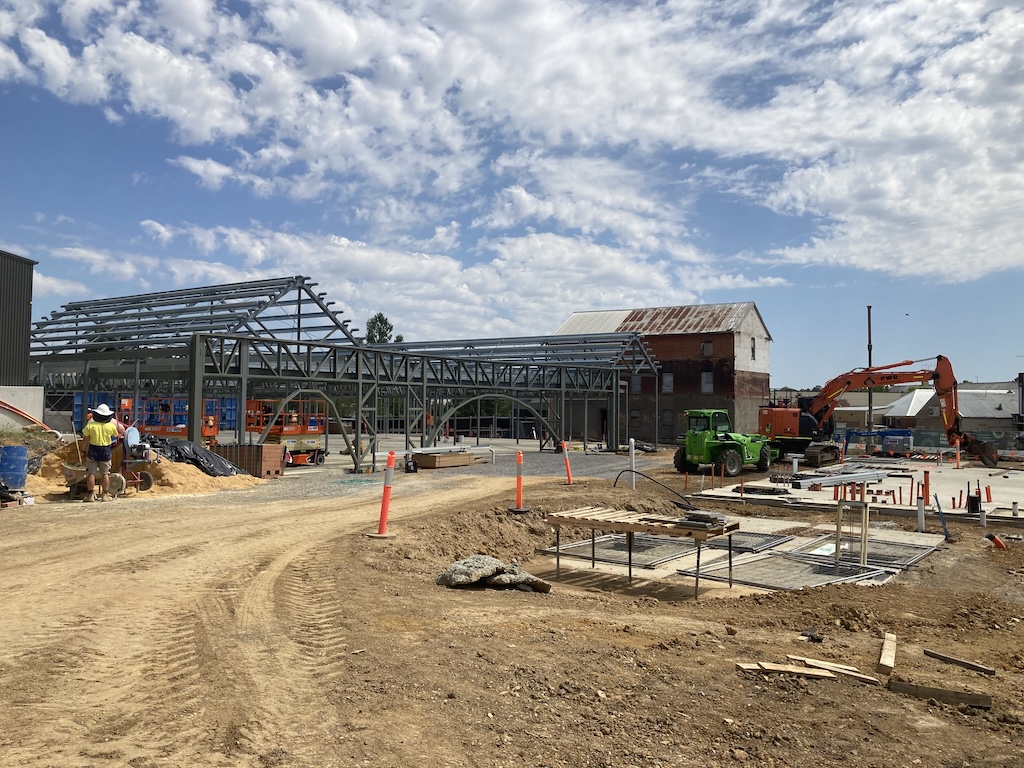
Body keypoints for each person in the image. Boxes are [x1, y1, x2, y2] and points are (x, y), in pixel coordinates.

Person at [80, 404, 120, 502]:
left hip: (93, 451)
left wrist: (83, 451)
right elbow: (116, 436)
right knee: (105, 474)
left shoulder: (90, 426)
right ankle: (105, 495)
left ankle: (90, 495)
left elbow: (85, 440)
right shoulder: (111, 426)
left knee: (91, 474)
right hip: (106, 451)